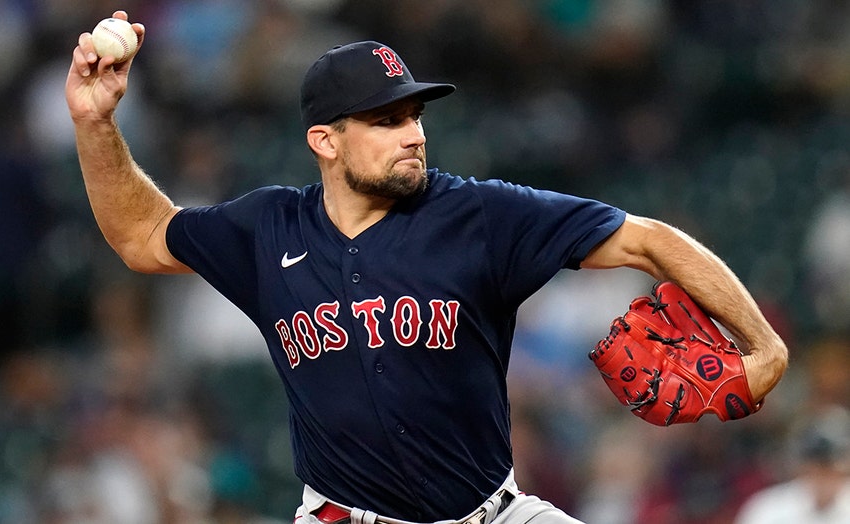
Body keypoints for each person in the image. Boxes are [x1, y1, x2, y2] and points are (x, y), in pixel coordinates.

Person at [65, 11, 788, 524]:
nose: (412, 134)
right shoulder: (268, 228)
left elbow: (650, 240)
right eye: (385, 121)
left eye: (414, 115)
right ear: (326, 140)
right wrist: (96, 123)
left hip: (492, 513)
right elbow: (143, 236)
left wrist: (763, 345)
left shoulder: (481, 215)